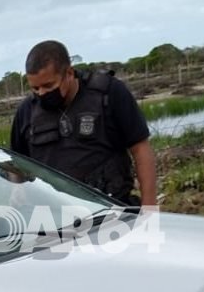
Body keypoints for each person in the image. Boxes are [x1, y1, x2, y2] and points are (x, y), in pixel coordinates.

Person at [10, 40, 158, 207]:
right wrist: (18, 190)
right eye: (35, 88)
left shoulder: (108, 94)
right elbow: (18, 163)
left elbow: (140, 150)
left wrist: (149, 209)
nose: (42, 93)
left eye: (49, 86)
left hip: (110, 211)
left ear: (69, 73)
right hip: (54, 218)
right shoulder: (26, 113)